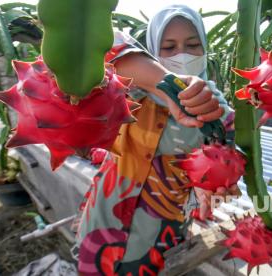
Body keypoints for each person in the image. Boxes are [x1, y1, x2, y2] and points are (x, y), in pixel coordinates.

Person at [74, 5, 238, 275]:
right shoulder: (128, 92)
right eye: (169, 47)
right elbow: (95, 43)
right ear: (152, 52)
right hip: (100, 228)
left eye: (193, 44)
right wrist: (169, 83)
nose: (181, 54)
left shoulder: (219, 116)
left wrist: (218, 188)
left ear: (205, 48)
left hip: (160, 241)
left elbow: (224, 173)